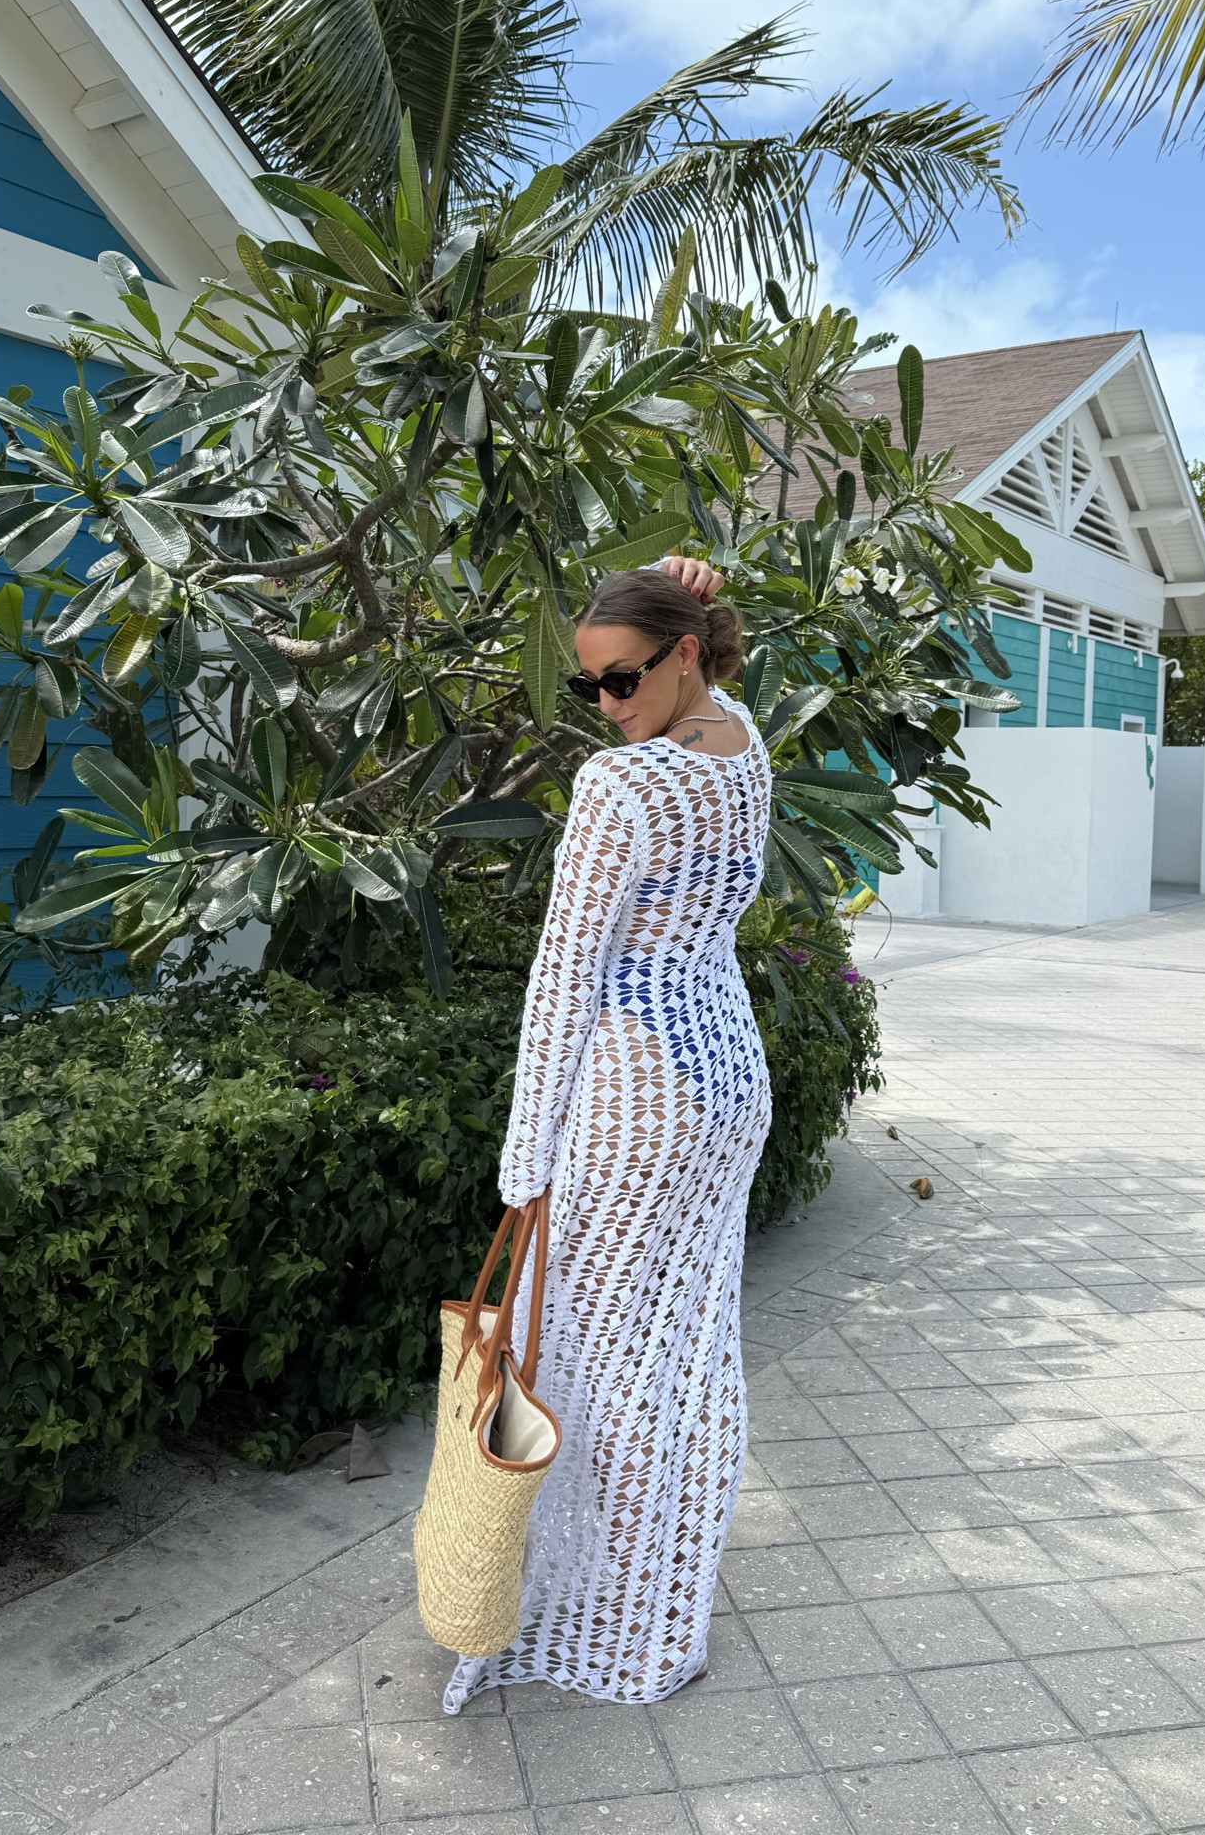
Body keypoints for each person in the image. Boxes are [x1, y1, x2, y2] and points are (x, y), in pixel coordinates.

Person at [442, 554, 774, 1712]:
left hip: (635, 1101)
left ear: (683, 653)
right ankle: (659, 1605)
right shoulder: (738, 734)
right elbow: (712, 659)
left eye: (624, 678)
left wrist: (522, 1164)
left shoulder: (622, 791)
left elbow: (561, 982)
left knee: (595, 1360)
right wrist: (683, 574)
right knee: (686, 1350)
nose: (608, 708)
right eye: (590, 688)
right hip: (729, 1081)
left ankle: (607, 1628)